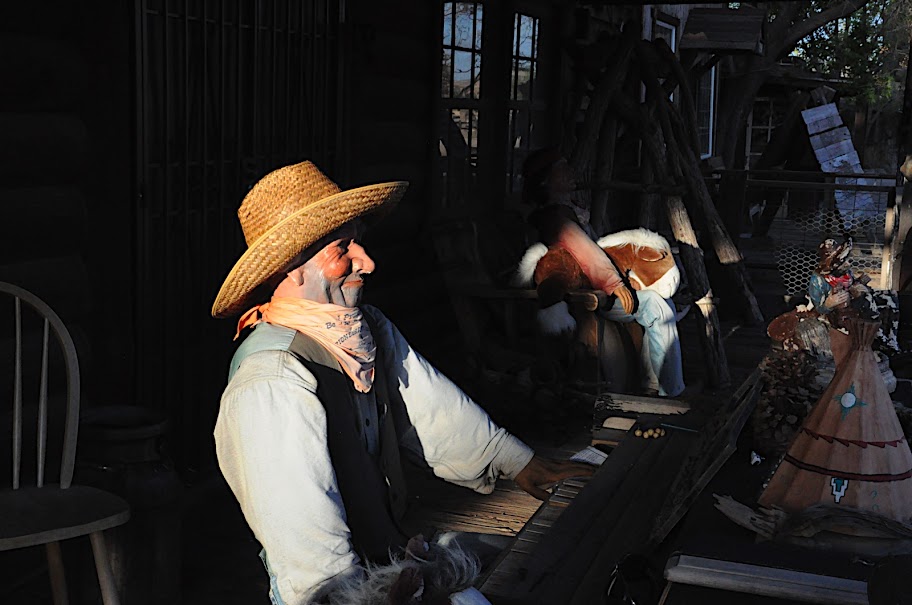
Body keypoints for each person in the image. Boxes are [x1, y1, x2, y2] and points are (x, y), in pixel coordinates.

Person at [210, 161, 594, 605]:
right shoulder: (272, 381)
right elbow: (312, 559)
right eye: (343, 249)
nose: (368, 262)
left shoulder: (366, 329)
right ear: (292, 266)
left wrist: (519, 462)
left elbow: (430, 408)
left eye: (360, 243)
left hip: (387, 557)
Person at [515, 147, 686, 398]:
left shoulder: (567, 210)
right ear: (546, 181)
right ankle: (668, 391)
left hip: (595, 285)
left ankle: (654, 384)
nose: (570, 172)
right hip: (588, 293)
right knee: (657, 308)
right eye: (562, 170)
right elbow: (586, 253)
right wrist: (614, 283)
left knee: (662, 304)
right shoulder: (555, 217)